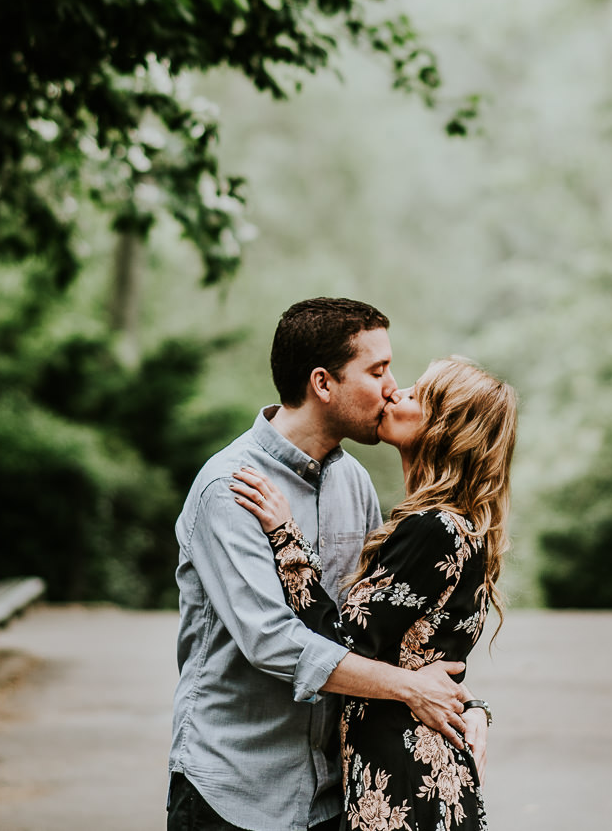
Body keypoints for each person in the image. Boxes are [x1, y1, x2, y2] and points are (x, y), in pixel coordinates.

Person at [169, 298, 474, 831]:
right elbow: (272, 640)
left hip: (335, 795)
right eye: (377, 370)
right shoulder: (230, 488)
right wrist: (408, 688)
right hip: (237, 792)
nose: (390, 385)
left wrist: (466, 707)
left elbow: (382, 628)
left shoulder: (352, 481)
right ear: (322, 383)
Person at [230, 356, 517, 831]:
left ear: (443, 429)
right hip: (417, 769)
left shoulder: (434, 529)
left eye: (418, 395)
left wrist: (285, 537)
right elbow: (418, 656)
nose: (396, 391)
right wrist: (473, 707)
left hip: (403, 781)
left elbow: (342, 642)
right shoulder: (459, 526)